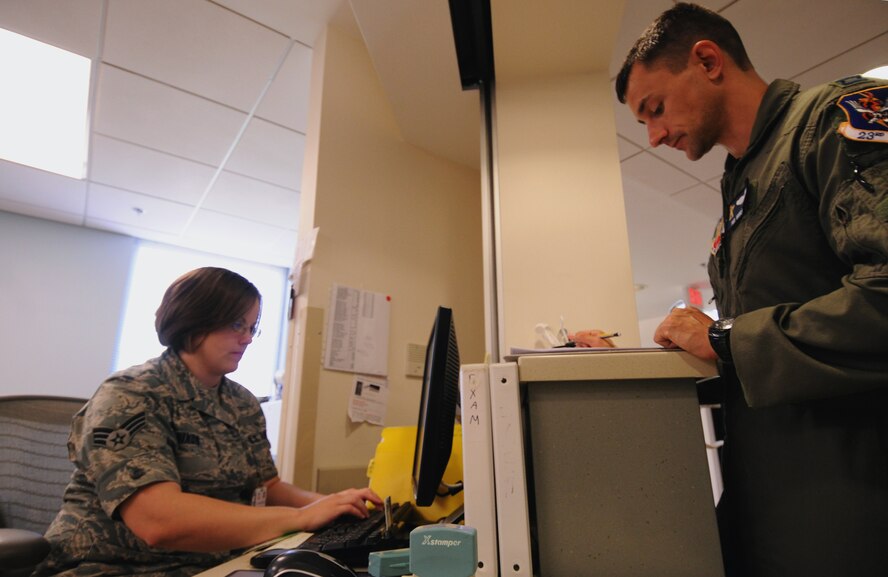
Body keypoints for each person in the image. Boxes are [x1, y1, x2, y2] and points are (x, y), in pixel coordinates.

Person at [615, 4, 888, 577]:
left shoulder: (829, 121)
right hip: (767, 505)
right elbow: (756, 361)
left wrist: (724, 337)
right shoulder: (741, 186)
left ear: (708, 60)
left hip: (850, 506)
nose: (655, 134)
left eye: (654, 109)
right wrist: (620, 370)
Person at [33, 267, 382, 577]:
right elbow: (158, 521)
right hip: (113, 564)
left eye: (251, 328)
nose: (247, 338)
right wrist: (302, 517)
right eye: (236, 325)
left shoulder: (241, 402)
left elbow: (267, 487)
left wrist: (332, 505)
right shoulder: (131, 394)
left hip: (215, 563)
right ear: (194, 319)